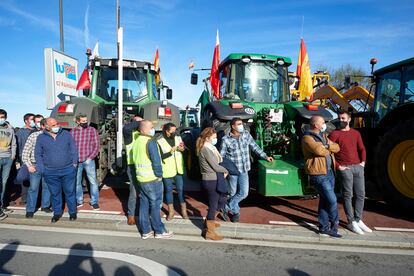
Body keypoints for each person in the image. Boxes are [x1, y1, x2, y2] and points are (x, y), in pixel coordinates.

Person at [220, 117, 273, 222]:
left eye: (242, 124)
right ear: (233, 126)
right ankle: (236, 212)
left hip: (244, 170)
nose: (241, 126)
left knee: (244, 193)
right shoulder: (225, 140)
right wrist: (223, 170)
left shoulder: (246, 135)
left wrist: (265, 156)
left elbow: (255, 147)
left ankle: (226, 207)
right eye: (239, 124)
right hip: (233, 171)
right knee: (232, 192)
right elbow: (221, 156)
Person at [329, 110, 372, 234]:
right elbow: (328, 153)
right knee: (348, 195)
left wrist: (362, 163)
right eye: (339, 118)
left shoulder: (356, 133)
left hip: (358, 167)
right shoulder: (334, 134)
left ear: (349, 119)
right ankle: (351, 221)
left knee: (361, 194)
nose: (341, 120)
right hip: (345, 168)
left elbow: (362, 149)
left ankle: (358, 220)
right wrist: (338, 166)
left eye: (343, 118)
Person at [131, 120, 173, 239]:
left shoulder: (137, 141)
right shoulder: (150, 142)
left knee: (144, 205)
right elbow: (156, 161)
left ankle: (145, 231)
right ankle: (159, 230)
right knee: (155, 205)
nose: (153, 129)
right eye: (151, 127)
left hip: (141, 178)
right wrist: (159, 175)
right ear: (144, 129)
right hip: (152, 178)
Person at [301, 115, 341, 238]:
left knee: (324, 201)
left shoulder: (323, 136)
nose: (325, 124)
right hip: (318, 174)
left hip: (329, 172)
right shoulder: (307, 138)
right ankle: (334, 226)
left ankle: (323, 228)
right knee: (332, 200)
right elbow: (319, 151)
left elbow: (337, 147)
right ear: (316, 125)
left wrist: (327, 146)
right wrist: (327, 148)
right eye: (323, 122)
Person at [35, 117, 78, 223]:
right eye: (54, 125)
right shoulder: (41, 138)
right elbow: (38, 154)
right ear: (46, 126)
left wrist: (74, 164)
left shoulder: (66, 134)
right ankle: (57, 213)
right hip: (50, 172)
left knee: (70, 192)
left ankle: (72, 212)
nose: (57, 126)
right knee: (55, 193)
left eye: (57, 124)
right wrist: (42, 168)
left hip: (68, 170)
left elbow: (73, 149)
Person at [197, 127, 228, 240]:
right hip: (211, 180)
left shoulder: (210, 147)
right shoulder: (206, 149)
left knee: (222, 199)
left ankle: (210, 221)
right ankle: (209, 232)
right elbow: (215, 166)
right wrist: (226, 170)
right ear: (207, 137)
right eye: (214, 137)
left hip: (214, 179)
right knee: (214, 204)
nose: (216, 139)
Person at [22, 116, 51, 218]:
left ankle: (45, 206)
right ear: (43, 126)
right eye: (48, 125)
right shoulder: (34, 136)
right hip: (35, 166)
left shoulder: (52, 136)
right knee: (33, 188)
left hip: (48, 166)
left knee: (47, 187)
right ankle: (30, 209)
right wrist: (29, 165)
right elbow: (25, 153)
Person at [157, 123, 188, 221]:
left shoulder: (178, 138)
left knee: (180, 189)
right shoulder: (160, 141)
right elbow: (160, 156)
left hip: (178, 168)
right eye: (173, 131)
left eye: (175, 130)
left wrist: (181, 148)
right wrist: (171, 152)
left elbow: (183, 149)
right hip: (167, 169)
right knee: (168, 190)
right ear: (167, 131)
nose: (175, 132)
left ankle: (184, 211)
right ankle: (171, 212)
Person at [70, 114, 101, 210]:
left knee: (93, 182)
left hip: (88, 160)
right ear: (78, 122)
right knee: (77, 182)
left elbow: (97, 146)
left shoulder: (92, 130)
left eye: (86, 120)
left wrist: (90, 157)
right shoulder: (72, 132)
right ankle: (79, 200)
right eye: (83, 121)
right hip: (76, 161)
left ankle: (94, 201)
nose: (85, 122)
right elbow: (69, 146)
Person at [123, 115, 143, 225]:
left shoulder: (145, 134)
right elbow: (126, 128)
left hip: (146, 167)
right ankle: (131, 215)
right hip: (133, 166)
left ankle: (144, 214)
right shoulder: (129, 134)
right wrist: (141, 122)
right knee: (134, 192)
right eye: (138, 122)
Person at [14, 113, 35, 205]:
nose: (34, 121)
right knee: (25, 179)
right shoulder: (21, 132)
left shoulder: (36, 131)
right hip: (25, 159)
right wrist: (20, 159)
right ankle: (25, 198)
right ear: (26, 121)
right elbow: (18, 145)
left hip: (35, 158)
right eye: (32, 119)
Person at [0, 109, 16, 220]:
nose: (1, 119)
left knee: (4, 183)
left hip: (8, 158)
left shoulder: (10, 129)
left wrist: (13, 155)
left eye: (3, 117)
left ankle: (2, 206)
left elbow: (14, 143)